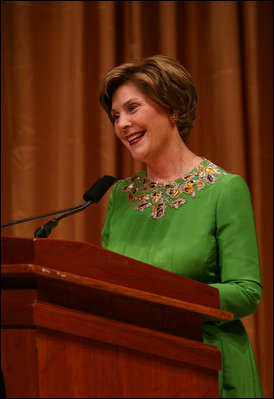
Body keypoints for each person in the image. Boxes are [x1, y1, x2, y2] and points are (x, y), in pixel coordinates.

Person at [99, 54, 264, 398]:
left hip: (208, 367)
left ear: (172, 109)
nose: (122, 123)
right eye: (115, 115)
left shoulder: (224, 190)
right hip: (133, 366)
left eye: (132, 108)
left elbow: (246, 293)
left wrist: (162, 297)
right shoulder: (119, 197)